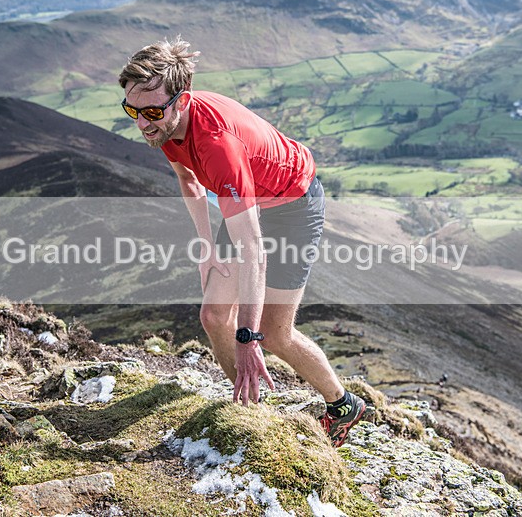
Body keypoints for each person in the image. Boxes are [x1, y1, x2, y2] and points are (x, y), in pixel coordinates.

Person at [118, 36, 365, 447]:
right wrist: (206, 246)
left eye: (151, 112)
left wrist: (249, 337)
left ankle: (343, 404)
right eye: (132, 110)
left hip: (293, 206)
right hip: (252, 203)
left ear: (181, 100)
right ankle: (251, 415)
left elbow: (254, 249)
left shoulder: (216, 145)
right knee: (214, 317)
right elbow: (187, 179)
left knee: (273, 331)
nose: (142, 123)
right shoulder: (166, 126)